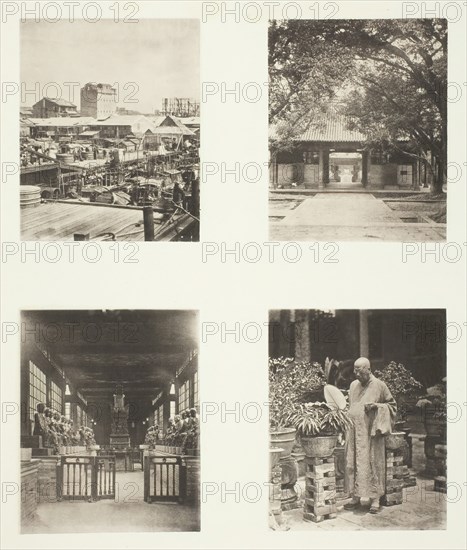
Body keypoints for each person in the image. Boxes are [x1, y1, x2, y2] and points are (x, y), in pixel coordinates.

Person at [344, 357, 396, 514]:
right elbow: (351, 405)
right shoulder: (353, 385)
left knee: (372, 462)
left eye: (359, 371)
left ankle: (375, 499)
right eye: (355, 370)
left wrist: (377, 407)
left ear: (368, 369)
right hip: (353, 432)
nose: (356, 374)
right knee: (352, 462)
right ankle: (355, 496)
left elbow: (392, 406)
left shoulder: (380, 385)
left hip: (371, 434)